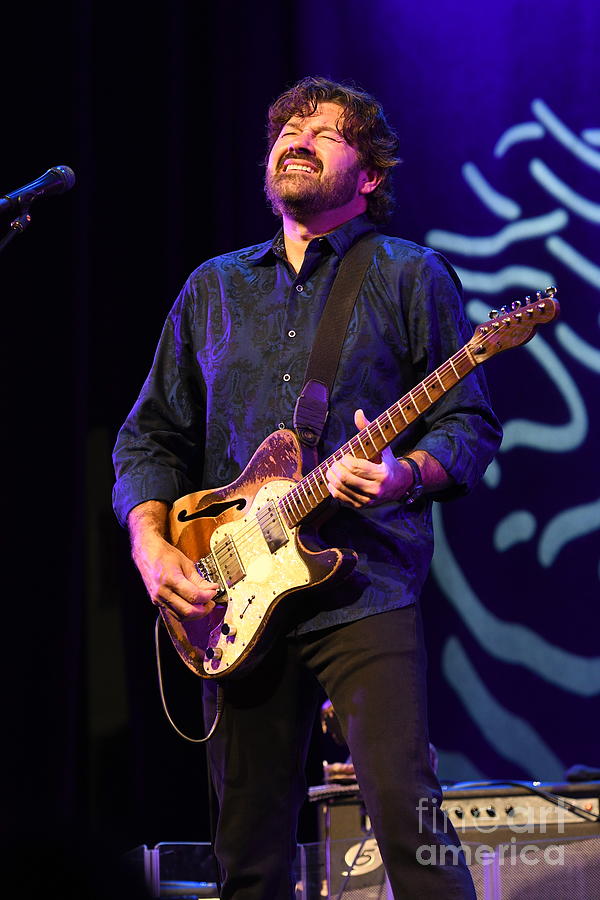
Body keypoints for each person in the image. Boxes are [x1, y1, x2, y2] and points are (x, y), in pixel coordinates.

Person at [112, 75, 502, 899]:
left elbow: (468, 428)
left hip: (364, 587)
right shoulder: (212, 288)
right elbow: (148, 438)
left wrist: (404, 474)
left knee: (406, 813)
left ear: (369, 176)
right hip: (233, 598)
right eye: (287, 125)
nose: (297, 135)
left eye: (325, 129)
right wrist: (152, 549)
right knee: (247, 849)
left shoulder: (409, 275)